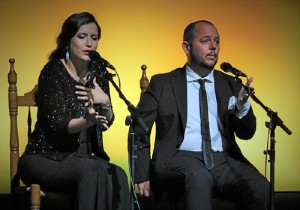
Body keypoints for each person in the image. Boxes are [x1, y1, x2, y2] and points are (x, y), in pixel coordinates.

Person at [134, 20, 270, 210]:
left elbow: (246, 134)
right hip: (178, 157)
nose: (213, 46)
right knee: (199, 177)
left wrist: (242, 106)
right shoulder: (163, 83)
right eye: (205, 41)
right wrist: (141, 174)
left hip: (222, 159)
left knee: (261, 189)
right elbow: (139, 128)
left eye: (217, 41)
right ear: (186, 48)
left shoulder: (230, 83)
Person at [18, 12, 129, 210]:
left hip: (83, 159)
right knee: (91, 170)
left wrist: (106, 103)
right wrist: (87, 120)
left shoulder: (99, 71)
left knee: (119, 174)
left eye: (94, 38)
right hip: (45, 157)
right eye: (82, 36)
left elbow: (107, 122)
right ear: (67, 41)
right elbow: (58, 124)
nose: (89, 43)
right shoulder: (53, 71)